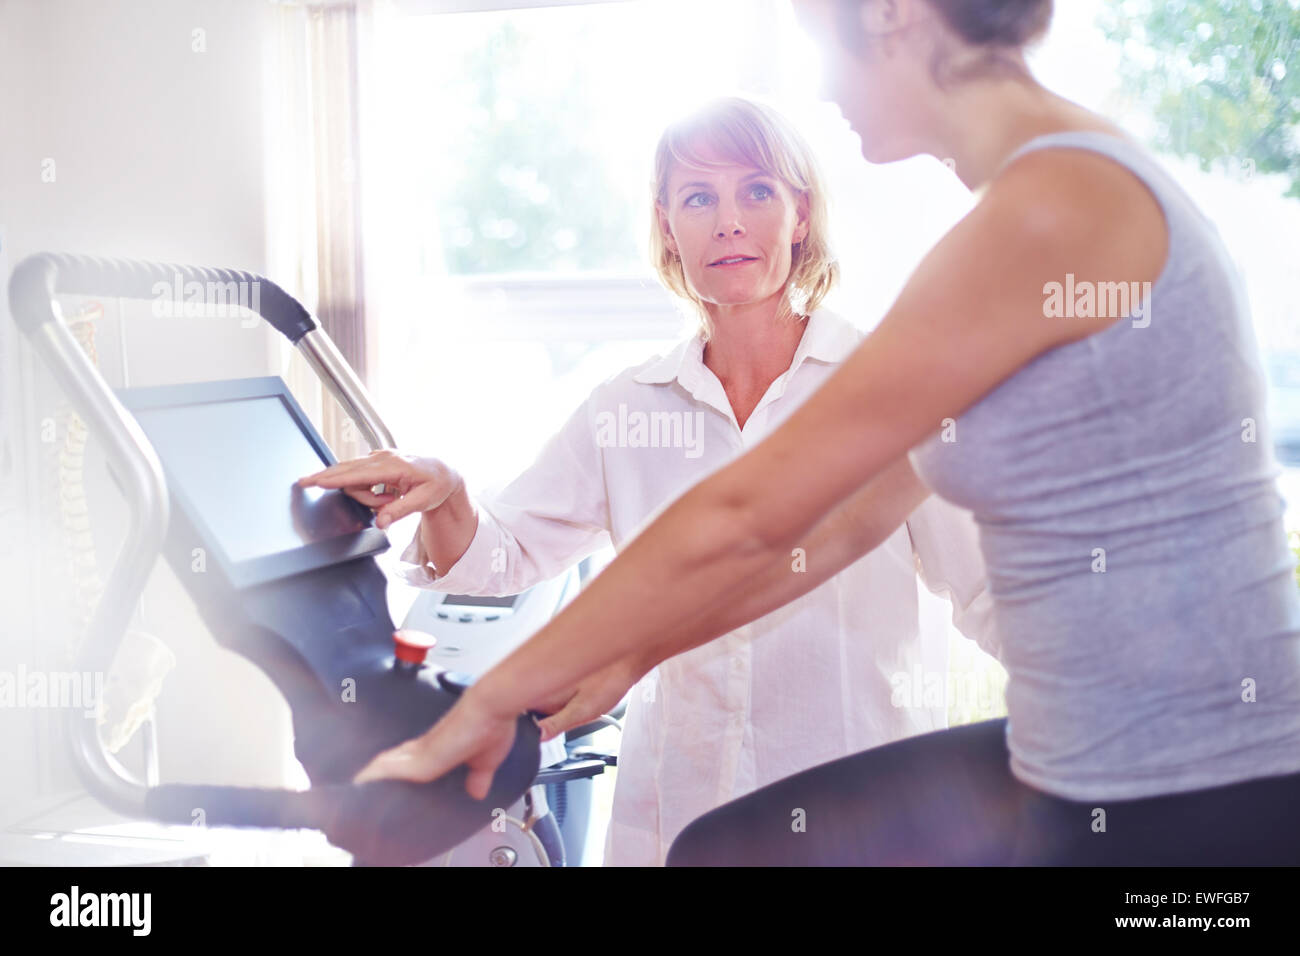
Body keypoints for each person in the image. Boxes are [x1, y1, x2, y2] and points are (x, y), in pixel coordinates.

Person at [343, 0, 1300, 865]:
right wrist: (635, 654)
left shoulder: (1051, 212)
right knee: (723, 849)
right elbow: (839, 525)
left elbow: (751, 511)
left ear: (892, 17)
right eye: (700, 197)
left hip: (1189, 782)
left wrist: (485, 705)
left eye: (816, 39)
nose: (824, 87)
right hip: (1086, 755)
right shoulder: (1033, 206)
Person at [299, 96, 996, 866]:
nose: (728, 222)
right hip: (676, 819)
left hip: (853, 820)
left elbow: (992, 593)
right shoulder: (627, 409)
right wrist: (450, 487)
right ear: (668, 225)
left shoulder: (890, 390)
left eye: (757, 192)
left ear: (799, 216)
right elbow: (504, 554)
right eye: (699, 198)